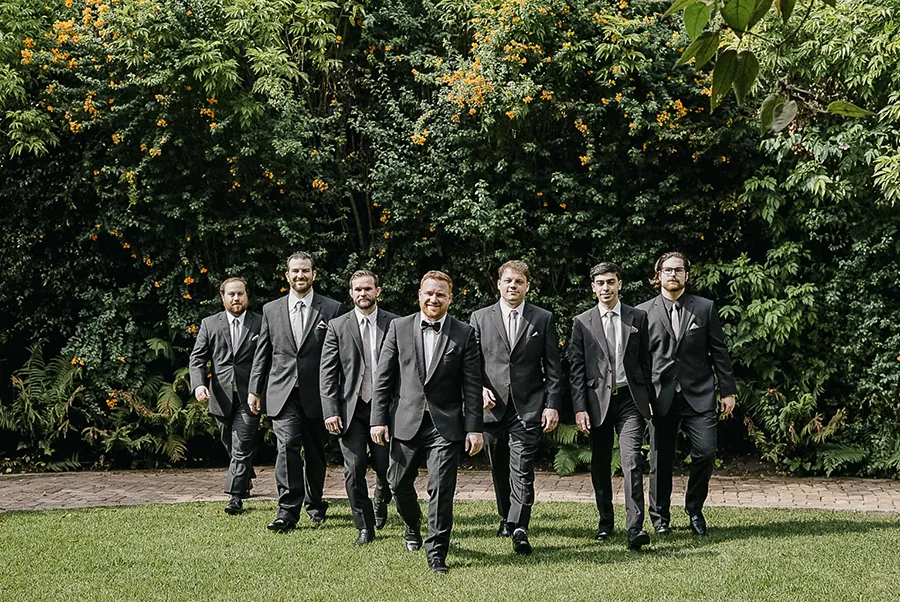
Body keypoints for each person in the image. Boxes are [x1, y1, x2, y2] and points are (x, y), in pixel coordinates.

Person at [370, 270, 483, 575]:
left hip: (445, 425)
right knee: (397, 483)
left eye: (440, 294)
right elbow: (383, 379)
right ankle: (412, 525)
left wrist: (474, 428)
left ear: (450, 298)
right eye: (429, 293)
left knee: (441, 489)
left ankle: (437, 553)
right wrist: (378, 420)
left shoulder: (464, 333)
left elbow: (472, 385)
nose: (434, 299)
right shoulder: (398, 327)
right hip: (405, 420)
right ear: (419, 295)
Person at [637, 251, 737, 537]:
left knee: (705, 453)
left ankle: (694, 509)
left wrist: (728, 391)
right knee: (660, 460)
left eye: (678, 270)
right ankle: (660, 518)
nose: (673, 274)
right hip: (660, 397)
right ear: (658, 276)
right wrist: (643, 397)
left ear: (686, 275)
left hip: (699, 394)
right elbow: (639, 361)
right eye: (667, 270)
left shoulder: (704, 308)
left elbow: (719, 352)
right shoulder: (642, 312)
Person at [469, 260, 563, 555]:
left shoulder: (543, 319)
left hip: (528, 407)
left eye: (519, 281)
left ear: (527, 286)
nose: (513, 286)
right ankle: (506, 517)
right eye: (508, 281)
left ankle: (520, 527)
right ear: (499, 284)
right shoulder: (479, 318)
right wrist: (478, 389)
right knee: (499, 468)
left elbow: (553, 368)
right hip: (492, 407)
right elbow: (471, 364)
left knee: (522, 468)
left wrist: (551, 405)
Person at [248, 251, 343, 532]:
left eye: (305, 271)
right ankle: (287, 511)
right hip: (282, 391)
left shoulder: (332, 308)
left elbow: (339, 356)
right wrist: (255, 389)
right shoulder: (271, 309)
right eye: (295, 271)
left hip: (318, 393)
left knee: (315, 452)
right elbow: (263, 352)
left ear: (314, 274)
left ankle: (315, 503)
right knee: (287, 445)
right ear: (287, 275)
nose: (300, 275)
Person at [569, 262, 655, 551]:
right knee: (601, 462)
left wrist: (648, 398)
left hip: (630, 399)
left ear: (620, 284)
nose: (605, 288)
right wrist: (580, 408)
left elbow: (645, 362)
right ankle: (606, 523)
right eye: (600, 283)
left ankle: (635, 528)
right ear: (593, 288)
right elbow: (576, 370)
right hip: (597, 402)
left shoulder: (638, 317)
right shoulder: (582, 322)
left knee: (632, 461)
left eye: (610, 282)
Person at [319, 270, 397, 546]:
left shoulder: (395, 324)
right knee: (353, 470)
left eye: (368, 288)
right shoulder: (337, 326)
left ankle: (381, 496)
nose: (363, 293)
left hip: (385, 409)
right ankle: (364, 527)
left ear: (378, 291)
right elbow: (328, 372)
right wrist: (330, 410)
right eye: (358, 289)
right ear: (351, 293)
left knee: (386, 468)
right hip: (350, 410)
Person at [189, 277, 261, 515]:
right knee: (231, 444)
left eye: (240, 293)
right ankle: (244, 475)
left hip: (250, 396)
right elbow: (197, 358)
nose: (236, 298)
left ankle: (235, 497)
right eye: (231, 294)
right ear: (223, 297)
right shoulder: (209, 324)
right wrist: (199, 385)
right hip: (220, 396)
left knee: (241, 444)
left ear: (247, 295)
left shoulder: (261, 323)